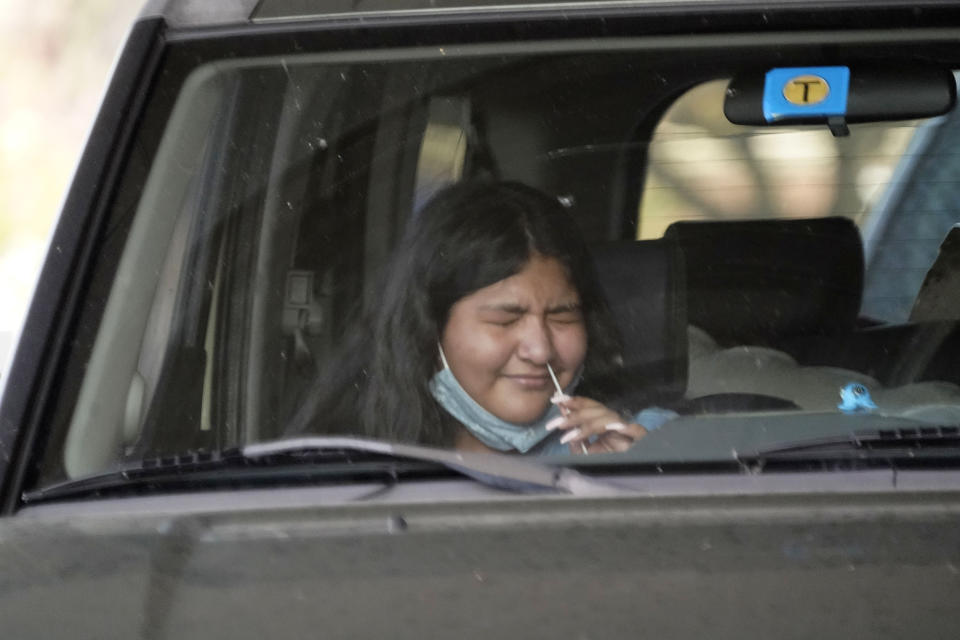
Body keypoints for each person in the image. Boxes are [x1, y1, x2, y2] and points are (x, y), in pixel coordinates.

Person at [290, 180, 670, 455]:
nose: (540, 351)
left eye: (561, 316)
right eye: (505, 320)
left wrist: (639, 478)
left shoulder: (651, 440)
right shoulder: (350, 465)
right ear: (429, 329)